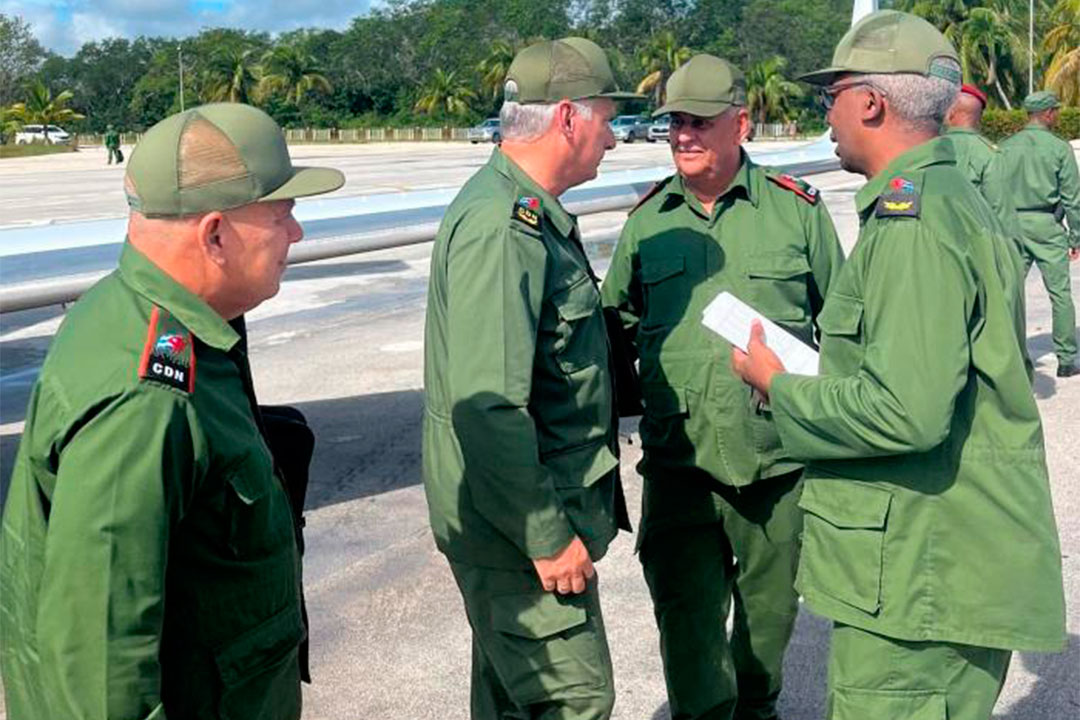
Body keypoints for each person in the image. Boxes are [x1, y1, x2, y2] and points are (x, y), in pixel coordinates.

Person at [731, 11, 1066, 720]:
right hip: (933, 562)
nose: (829, 115)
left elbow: (906, 409)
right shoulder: (946, 199)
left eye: (834, 96)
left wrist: (779, 386)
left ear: (873, 103)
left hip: (919, 576)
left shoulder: (913, 225)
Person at [0, 102, 344, 720]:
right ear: (214, 234)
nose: (297, 234)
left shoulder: (167, 323)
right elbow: (99, 670)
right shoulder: (147, 399)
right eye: (282, 213)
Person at [601, 54, 844, 720]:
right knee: (686, 620)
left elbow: (844, 327)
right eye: (676, 122)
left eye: (700, 123)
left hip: (776, 465)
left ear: (740, 123)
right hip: (680, 467)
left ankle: (758, 706)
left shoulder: (797, 213)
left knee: (769, 617)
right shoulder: (648, 221)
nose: (683, 135)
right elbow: (615, 326)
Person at [422, 37, 639, 720]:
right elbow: (487, 408)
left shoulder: (527, 211)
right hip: (515, 531)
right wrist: (545, 534)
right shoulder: (504, 228)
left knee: (513, 700)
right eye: (608, 118)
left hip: (509, 521)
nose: (614, 138)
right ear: (569, 118)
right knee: (574, 701)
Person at [1000, 90, 1080, 378]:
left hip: (1012, 225)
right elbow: (1073, 199)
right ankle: (1067, 360)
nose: (1058, 114)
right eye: (1056, 110)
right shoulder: (1059, 148)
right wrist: (1076, 238)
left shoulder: (1006, 146)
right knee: (1059, 294)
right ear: (1047, 113)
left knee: (1009, 294)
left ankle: (1013, 357)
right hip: (1046, 224)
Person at [944, 84, 1021, 239]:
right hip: (973, 242)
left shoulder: (928, 147)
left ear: (950, 112)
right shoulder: (988, 153)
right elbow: (1001, 210)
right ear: (979, 117)